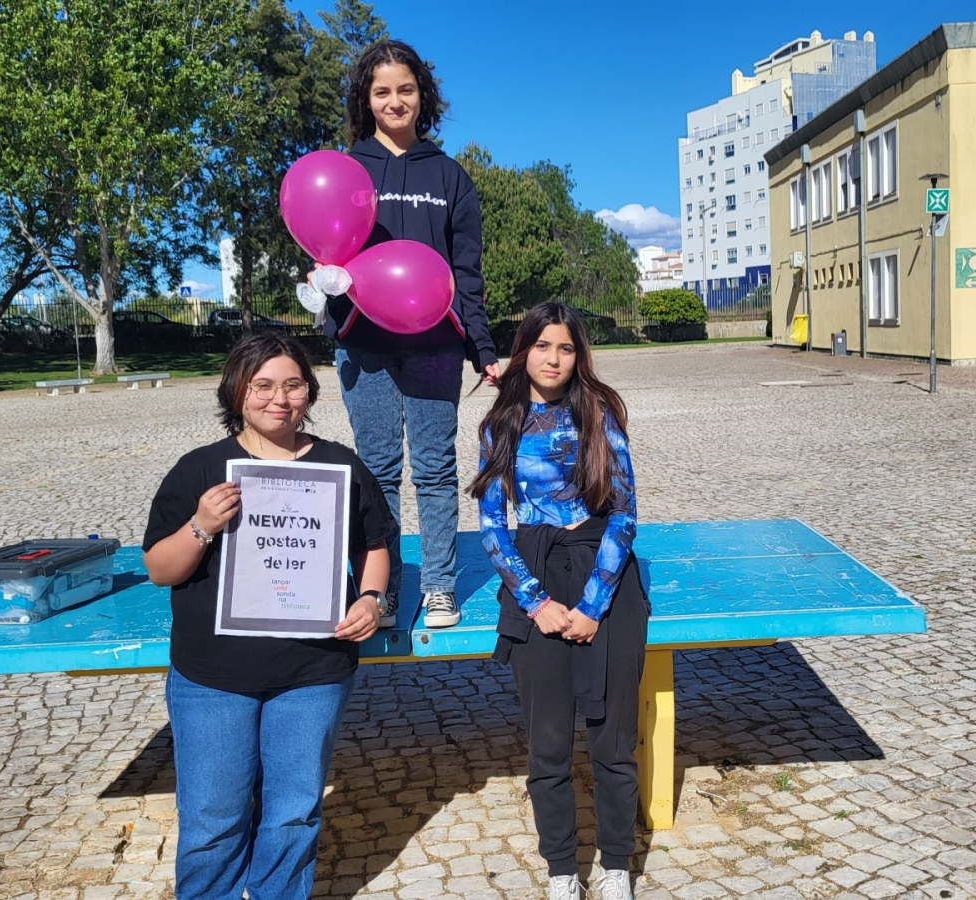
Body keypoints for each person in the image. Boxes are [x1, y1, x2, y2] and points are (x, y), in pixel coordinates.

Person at [142, 333, 394, 900]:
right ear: (237, 390)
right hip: (213, 678)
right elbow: (160, 569)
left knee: (293, 814)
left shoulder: (340, 465)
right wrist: (202, 524)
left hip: (313, 673)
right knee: (211, 820)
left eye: (293, 385)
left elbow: (373, 546)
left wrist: (371, 599)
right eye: (263, 386)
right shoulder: (201, 469)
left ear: (310, 392)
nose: (279, 399)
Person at [470, 302, 647, 900]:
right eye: (542, 346)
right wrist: (536, 602)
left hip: (604, 573)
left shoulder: (599, 412)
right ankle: (563, 872)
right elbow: (492, 527)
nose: (553, 359)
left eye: (565, 348)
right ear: (523, 351)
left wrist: (594, 606)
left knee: (612, 740)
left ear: (579, 355)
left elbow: (624, 514)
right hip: (536, 569)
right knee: (547, 745)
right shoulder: (500, 424)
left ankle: (616, 865)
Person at [324, 37, 501, 630]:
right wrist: (324, 285)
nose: (394, 101)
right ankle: (384, 591)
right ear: (366, 99)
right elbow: (328, 247)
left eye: (405, 89)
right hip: (365, 345)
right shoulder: (347, 170)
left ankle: (440, 587)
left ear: (422, 96)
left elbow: (467, 273)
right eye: (382, 92)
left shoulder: (449, 176)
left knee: (434, 467)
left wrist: (482, 348)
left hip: (434, 345)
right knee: (376, 470)